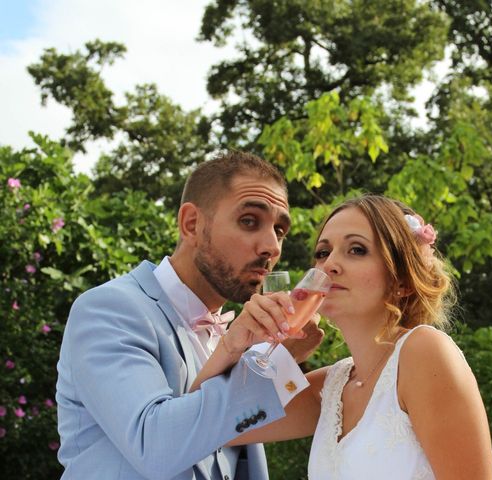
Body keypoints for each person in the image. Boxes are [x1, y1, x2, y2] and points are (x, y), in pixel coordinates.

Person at [56, 151, 323, 480]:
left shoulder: (240, 336)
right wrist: (275, 363)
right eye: (250, 221)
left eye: (279, 230)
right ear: (192, 224)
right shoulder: (110, 309)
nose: (272, 246)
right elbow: (154, 446)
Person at [227, 194, 492, 479]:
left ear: (401, 281)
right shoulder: (332, 386)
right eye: (322, 252)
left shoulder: (424, 352)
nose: (330, 264)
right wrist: (235, 345)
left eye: (356, 250)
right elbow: (211, 426)